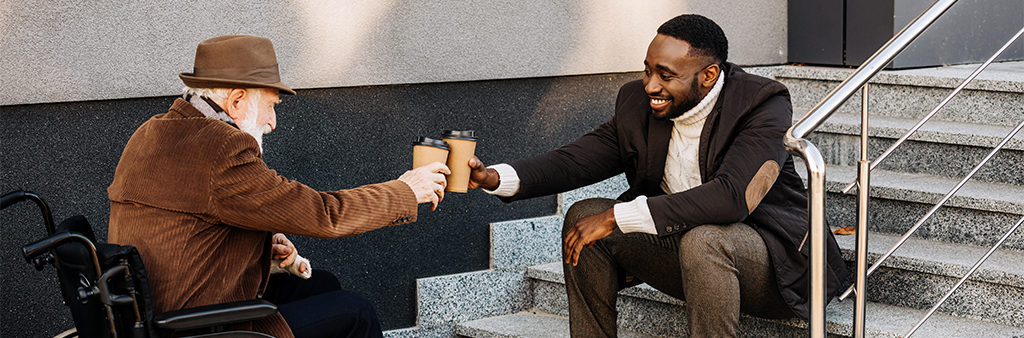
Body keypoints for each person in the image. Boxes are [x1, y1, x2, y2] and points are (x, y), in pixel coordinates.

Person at [469, 14, 848, 338]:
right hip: (689, 253)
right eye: (648, 70)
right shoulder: (638, 102)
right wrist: (496, 177)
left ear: (708, 75)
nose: (651, 85)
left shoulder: (760, 102)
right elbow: (576, 160)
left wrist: (619, 215)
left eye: (665, 76)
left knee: (706, 239)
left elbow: (732, 197)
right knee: (584, 216)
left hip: (779, 266)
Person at [107, 35, 450, 338]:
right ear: (237, 101)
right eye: (271, 105)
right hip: (195, 324)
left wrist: (256, 245)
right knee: (355, 311)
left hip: (152, 313)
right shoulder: (221, 147)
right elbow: (323, 214)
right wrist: (407, 190)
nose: (272, 122)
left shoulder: (152, 131)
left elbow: (185, 222)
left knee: (323, 284)